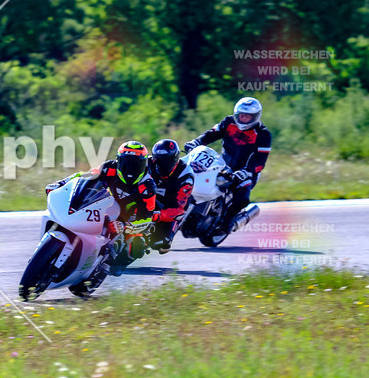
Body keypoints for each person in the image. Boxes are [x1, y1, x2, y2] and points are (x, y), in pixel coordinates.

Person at [45, 141, 157, 288]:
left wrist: (126, 225)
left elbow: (148, 216)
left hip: (127, 219)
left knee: (137, 245)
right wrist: (61, 183)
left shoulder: (147, 186)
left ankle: (105, 267)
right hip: (103, 206)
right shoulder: (109, 167)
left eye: (136, 165)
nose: (130, 169)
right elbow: (84, 177)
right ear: (118, 161)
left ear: (144, 165)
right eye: (126, 163)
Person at [184, 97, 271, 234]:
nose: (242, 118)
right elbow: (211, 134)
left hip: (246, 172)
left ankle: (228, 222)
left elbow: (260, 160)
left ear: (255, 117)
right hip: (222, 164)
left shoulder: (263, 134)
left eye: (247, 116)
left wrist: (247, 171)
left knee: (242, 198)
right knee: (194, 176)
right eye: (240, 115)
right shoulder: (229, 122)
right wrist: (196, 142)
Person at [147, 139, 194, 254]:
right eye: (158, 160)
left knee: (163, 245)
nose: (162, 165)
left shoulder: (185, 175)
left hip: (169, 206)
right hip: (146, 198)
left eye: (167, 161)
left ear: (175, 158)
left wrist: (157, 216)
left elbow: (179, 209)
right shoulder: (146, 163)